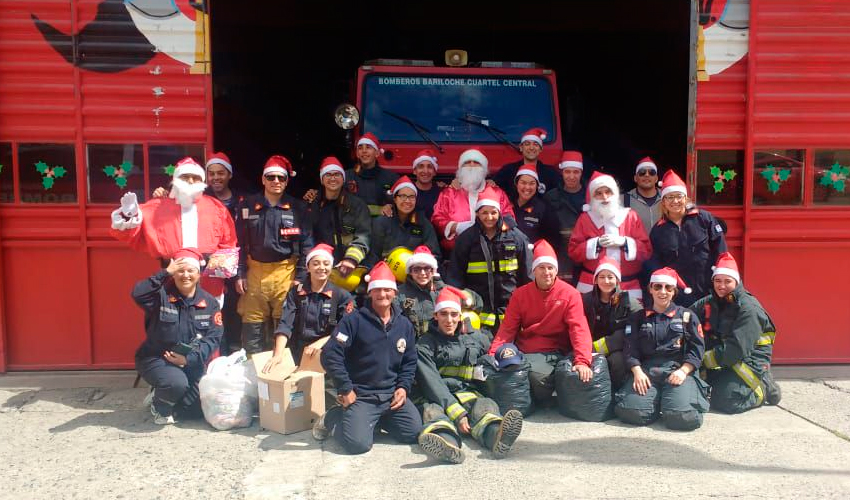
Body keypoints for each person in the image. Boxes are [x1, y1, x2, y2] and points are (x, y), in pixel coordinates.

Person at [314, 261, 422, 454]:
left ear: (395, 293)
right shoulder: (353, 321)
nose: (382, 294)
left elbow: (409, 361)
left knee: (412, 432)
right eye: (377, 290)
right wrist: (345, 388)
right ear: (370, 292)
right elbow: (330, 354)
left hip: (390, 396)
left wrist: (403, 387)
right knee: (358, 445)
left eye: (388, 290)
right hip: (361, 396)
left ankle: (371, 421)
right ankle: (334, 417)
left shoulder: (404, 325)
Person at [416, 287, 524, 463]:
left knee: (485, 406)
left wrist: (507, 355)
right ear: (435, 316)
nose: (449, 320)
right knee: (433, 414)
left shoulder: (474, 338)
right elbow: (431, 382)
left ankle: (497, 437)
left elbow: (493, 351)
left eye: (453, 314)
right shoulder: (425, 344)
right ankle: (447, 445)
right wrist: (457, 413)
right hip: (435, 396)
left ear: (460, 316)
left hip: (466, 392)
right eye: (443, 314)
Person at [489, 240, 597, 410]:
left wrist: (582, 360)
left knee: (534, 377)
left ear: (556, 270)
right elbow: (507, 329)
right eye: (541, 267)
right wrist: (494, 354)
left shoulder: (570, 294)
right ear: (534, 270)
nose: (546, 272)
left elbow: (579, 329)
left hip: (554, 351)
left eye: (550, 267)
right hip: (525, 350)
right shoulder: (520, 295)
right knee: (504, 372)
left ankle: (532, 403)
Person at [110, 157, 237, 301]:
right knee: (171, 319)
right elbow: (128, 232)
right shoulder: (157, 206)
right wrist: (128, 214)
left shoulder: (215, 207)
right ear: (176, 180)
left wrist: (219, 272)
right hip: (169, 277)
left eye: (195, 178)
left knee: (207, 320)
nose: (190, 181)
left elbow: (228, 242)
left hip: (208, 281)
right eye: (185, 177)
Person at [234, 155, 313, 354]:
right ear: (262, 180)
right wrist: (240, 273)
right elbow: (240, 243)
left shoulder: (298, 208)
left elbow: (307, 245)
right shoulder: (247, 206)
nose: (276, 181)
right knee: (252, 327)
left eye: (281, 178)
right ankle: (253, 376)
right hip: (254, 272)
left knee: (284, 326)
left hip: (286, 273)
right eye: (271, 177)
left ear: (287, 181)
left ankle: (282, 375)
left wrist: (301, 277)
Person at [134, 248, 222, 425]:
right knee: (176, 383)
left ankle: (161, 395)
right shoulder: (160, 297)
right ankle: (159, 406)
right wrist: (164, 272)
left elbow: (213, 338)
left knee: (197, 409)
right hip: (157, 358)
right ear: (173, 274)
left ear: (199, 274)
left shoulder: (210, 303)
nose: (185, 275)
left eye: (191, 270)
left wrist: (188, 359)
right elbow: (137, 293)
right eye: (180, 271)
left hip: (190, 361)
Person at [614, 267, 709, 431]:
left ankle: (675, 400)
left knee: (682, 418)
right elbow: (630, 348)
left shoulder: (687, 316)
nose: (662, 292)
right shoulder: (638, 318)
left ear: (674, 291)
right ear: (650, 289)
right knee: (631, 413)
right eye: (657, 287)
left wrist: (684, 371)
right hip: (647, 373)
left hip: (677, 372)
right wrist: (637, 372)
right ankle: (656, 401)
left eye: (668, 287)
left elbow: (697, 349)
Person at [691, 252, 781, 413]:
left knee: (726, 400)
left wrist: (700, 360)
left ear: (737, 281)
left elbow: (735, 349)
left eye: (727, 281)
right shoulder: (711, 301)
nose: (721, 286)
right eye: (717, 281)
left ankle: (764, 387)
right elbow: (686, 316)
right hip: (723, 359)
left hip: (748, 361)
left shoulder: (749, 309)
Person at [447, 186, 532, 333]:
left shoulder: (516, 238)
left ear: (500, 213)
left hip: (512, 313)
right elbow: (456, 276)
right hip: (479, 313)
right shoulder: (466, 239)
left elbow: (527, 274)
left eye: (493, 212)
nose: (489, 217)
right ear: (477, 214)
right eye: (484, 213)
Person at [262, 243, 354, 371]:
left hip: (330, 353)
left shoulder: (341, 296)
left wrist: (321, 343)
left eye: (326, 264)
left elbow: (346, 333)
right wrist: (278, 355)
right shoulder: (296, 292)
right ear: (308, 267)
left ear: (331, 267)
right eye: (316, 263)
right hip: (298, 351)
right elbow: (285, 324)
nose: (321, 267)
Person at [568, 171, 651, 301]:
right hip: (591, 285)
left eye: (608, 192)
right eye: (599, 193)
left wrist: (625, 242)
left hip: (627, 285)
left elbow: (646, 251)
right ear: (592, 197)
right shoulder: (585, 219)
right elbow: (573, 251)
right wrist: (595, 244)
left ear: (615, 193)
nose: (605, 197)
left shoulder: (630, 217)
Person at [649, 170, 727, 307]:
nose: (675, 201)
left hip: (708, 292)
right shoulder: (658, 230)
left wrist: (722, 283)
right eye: (669, 197)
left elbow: (722, 254)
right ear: (663, 202)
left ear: (686, 198)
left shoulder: (704, 219)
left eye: (679, 196)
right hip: (677, 297)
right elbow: (656, 265)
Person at [431, 149, 515, 254]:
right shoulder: (449, 193)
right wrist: (456, 227)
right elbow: (437, 219)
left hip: (492, 252)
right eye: (467, 162)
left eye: (476, 162)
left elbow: (509, 219)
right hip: (456, 254)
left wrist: (490, 227)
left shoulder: (497, 192)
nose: (471, 165)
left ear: (484, 169)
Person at [581, 257, 643, 389]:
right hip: (587, 347)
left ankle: (616, 392)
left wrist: (597, 348)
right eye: (602, 277)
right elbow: (578, 327)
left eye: (610, 277)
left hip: (617, 349)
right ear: (596, 280)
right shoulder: (584, 301)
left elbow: (635, 331)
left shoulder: (630, 304)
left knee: (618, 361)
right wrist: (586, 349)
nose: (606, 281)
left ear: (617, 280)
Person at [396, 246, 482, 338]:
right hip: (413, 347)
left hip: (443, 346)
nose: (422, 273)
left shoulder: (447, 292)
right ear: (410, 272)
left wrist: (466, 300)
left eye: (427, 269)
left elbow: (478, 302)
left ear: (433, 271)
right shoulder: (399, 294)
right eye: (416, 269)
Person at [306, 157, 371, 278]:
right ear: (322, 180)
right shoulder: (312, 204)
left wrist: (351, 259)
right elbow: (306, 238)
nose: (333, 178)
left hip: (349, 268)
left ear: (343, 178)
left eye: (337, 174)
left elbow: (363, 236)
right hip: (320, 268)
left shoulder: (357, 205)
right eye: (328, 175)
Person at [363, 176, 441, 269]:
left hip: (415, 274)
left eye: (411, 197)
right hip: (386, 273)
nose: (407, 201)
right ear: (395, 199)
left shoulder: (423, 223)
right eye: (403, 196)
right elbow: (373, 256)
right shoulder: (381, 222)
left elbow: (435, 255)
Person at [544, 151, 586, 282]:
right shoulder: (550, 197)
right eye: (568, 172)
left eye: (576, 172)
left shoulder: (591, 195)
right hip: (560, 253)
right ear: (562, 172)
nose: (571, 176)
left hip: (585, 255)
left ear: (581, 173)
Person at [492, 127, 561, 198]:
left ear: (541, 149)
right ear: (521, 148)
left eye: (536, 144)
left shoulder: (550, 173)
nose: (531, 148)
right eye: (527, 144)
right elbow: (492, 188)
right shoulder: (508, 170)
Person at [344, 132, 400, 217]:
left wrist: (391, 207)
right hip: (354, 227)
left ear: (377, 153)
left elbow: (403, 204)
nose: (364, 151)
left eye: (368, 147)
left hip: (382, 228)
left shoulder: (392, 178)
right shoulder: (346, 176)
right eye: (360, 148)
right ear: (357, 154)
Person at [511, 163, 559, 244]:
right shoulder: (507, 205)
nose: (527, 187)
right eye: (523, 183)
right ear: (516, 184)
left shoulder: (544, 209)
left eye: (532, 183)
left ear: (537, 186)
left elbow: (552, 241)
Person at [622, 156, 663, 234]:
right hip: (636, 246)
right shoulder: (623, 200)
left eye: (652, 172)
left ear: (656, 178)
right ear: (635, 178)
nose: (647, 175)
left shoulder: (667, 198)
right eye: (642, 172)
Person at [411, 149, 443, 219]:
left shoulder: (442, 194)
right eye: (421, 166)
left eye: (429, 167)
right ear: (414, 171)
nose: (425, 171)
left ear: (434, 172)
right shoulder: (407, 191)